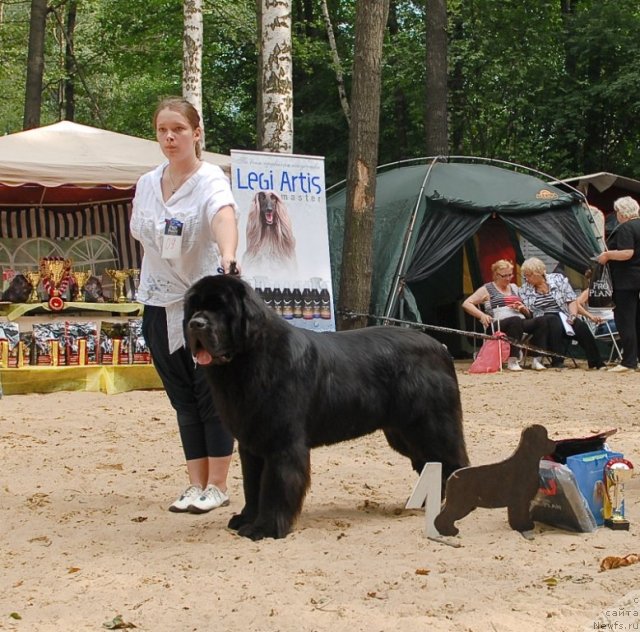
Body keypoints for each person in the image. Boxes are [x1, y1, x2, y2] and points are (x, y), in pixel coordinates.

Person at [130, 96, 238, 513]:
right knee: (181, 397)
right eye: (162, 130)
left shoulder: (211, 179)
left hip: (202, 306)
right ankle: (194, 484)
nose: (170, 137)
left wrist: (228, 254)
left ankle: (218, 484)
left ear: (197, 133)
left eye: (178, 129)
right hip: (158, 301)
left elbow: (223, 216)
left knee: (210, 393)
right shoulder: (146, 183)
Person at [462, 259, 549, 371]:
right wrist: (481, 315)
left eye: (510, 275)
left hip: (519, 321)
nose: (508, 278)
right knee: (515, 320)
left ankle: (537, 360)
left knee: (542, 320)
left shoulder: (514, 287)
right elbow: (466, 303)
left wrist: (522, 308)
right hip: (497, 323)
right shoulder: (487, 288)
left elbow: (528, 314)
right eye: (504, 276)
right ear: (496, 275)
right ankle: (513, 360)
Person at [519, 257, 605, 370]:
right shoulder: (524, 290)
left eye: (528, 275)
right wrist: (523, 310)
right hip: (543, 321)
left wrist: (573, 315)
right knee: (553, 320)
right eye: (525, 275)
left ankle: (596, 361)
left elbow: (571, 300)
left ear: (538, 273)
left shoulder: (558, 279)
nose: (526, 278)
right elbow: (530, 314)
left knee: (580, 326)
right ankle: (557, 361)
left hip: (563, 315)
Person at [596, 196, 640, 372]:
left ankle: (628, 361)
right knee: (638, 320)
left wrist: (607, 255)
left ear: (622, 212)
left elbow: (627, 252)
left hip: (626, 281)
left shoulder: (626, 228)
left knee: (625, 320)